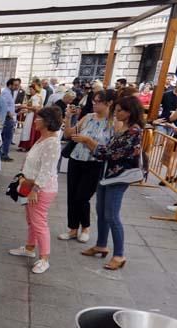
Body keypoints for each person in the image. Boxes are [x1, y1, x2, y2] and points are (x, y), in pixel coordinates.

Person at [79, 96, 145, 271]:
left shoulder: (134, 131)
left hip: (118, 177)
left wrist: (88, 141)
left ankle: (119, 254)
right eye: (115, 110)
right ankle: (101, 245)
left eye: (119, 111)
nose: (116, 114)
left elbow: (110, 153)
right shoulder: (122, 128)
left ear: (129, 112)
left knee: (112, 216)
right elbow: (107, 152)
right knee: (101, 212)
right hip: (107, 175)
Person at [8, 106, 63, 274]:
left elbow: (46, 170)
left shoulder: (52, 143)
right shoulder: (42, 139)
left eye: (39, 118)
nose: (35, 120)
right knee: (32, 220)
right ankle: (30, 247)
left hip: (41, 189)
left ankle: (44, 258)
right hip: (30, 185)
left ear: (48, 122)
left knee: (39, 222)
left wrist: (35, 190)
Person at [61, 89, 115, 243]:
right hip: (76, 159)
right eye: (93, 101)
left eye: (98, 101)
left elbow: (109, 149)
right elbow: (68, 134)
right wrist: (68, 117)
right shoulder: (88, 117)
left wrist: (87, 140)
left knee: (82, 197)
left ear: (108, 103)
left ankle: (85, 227)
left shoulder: (113, 123)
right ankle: (72, 228)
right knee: (72, 195)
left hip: (94, 164)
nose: (94, 104)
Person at [18, 80, 44, 151]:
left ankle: (27, 145)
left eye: (31, 89)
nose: (30, 91)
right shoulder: (35, 96)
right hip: (31, 114)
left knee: (28, 130)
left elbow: (35, 107)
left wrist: (24, 107)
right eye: (30, 89)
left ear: (35, 89)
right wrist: (24, 109)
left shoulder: (36, 97)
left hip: (33, 115)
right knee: (27, 130)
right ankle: (25, 145)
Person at [0, 79, 18, 162]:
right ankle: (4, 154)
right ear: (10, 85)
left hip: (8, 117)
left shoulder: (9, 92)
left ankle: (3, 153)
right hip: (7, 118)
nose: (17, 87)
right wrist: (8, 113)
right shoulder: (6, 93)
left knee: (6, 137)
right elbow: (4, 105)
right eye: (15, 85)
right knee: (7, 137)